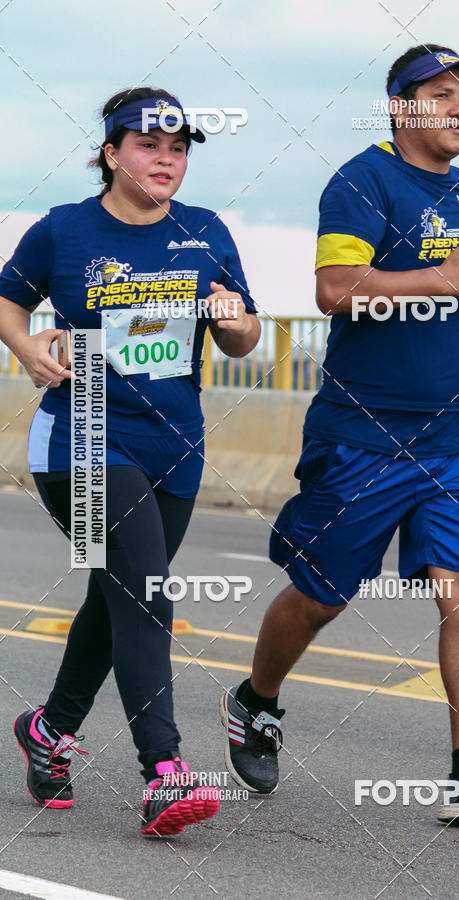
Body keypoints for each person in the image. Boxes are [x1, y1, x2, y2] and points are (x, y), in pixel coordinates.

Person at [219, 45, 459, 827]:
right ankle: (255, 698)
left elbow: (451, 275)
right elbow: (336, 291)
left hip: (458, 435)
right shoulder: (359, 181)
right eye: (443, 95)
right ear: (402, 107)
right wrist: (452, 282)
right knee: (319, 598)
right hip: (364, 437)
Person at [0, 86, 260, 836]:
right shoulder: (64, 231)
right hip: (79, 437)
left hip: (174, 446)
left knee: (118, 601)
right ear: (111, 153)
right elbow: (8, 300)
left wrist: (234, 321)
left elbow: (242, 336)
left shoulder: (206, 231)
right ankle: (165, 773)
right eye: (149, 145)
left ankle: (49, 732)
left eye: (178, 148)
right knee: (146, 590)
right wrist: (27, 350)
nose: (166, 159)